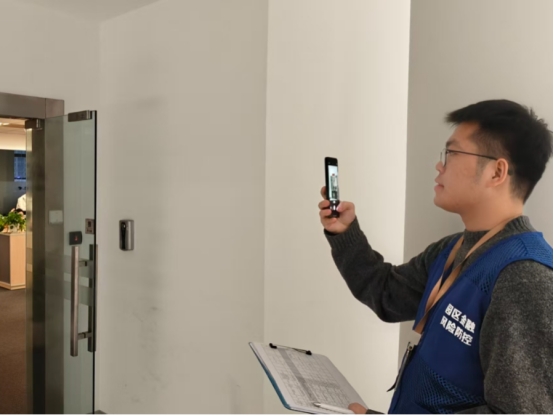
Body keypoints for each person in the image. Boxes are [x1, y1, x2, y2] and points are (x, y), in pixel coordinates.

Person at [318, 99, 553, 414]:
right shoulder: (453, 249)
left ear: (497, 171)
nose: (439, 166)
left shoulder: (524, 276)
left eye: (452, 153)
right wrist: (345, 232)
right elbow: (386, 293)